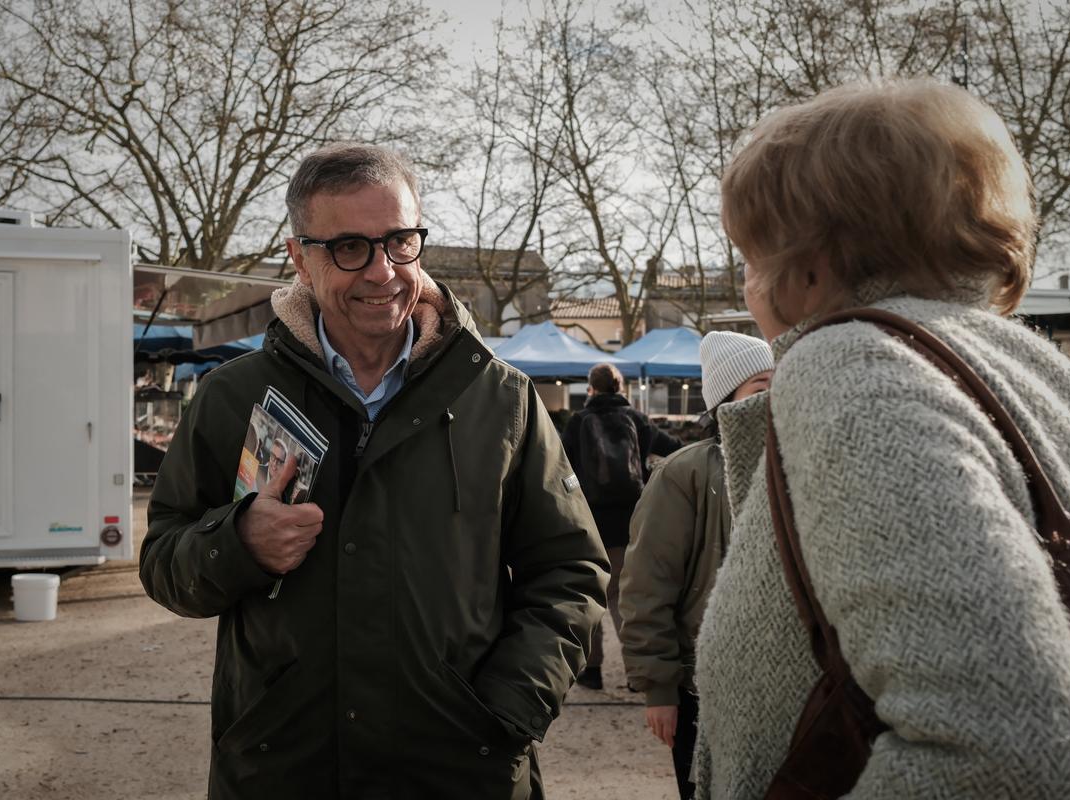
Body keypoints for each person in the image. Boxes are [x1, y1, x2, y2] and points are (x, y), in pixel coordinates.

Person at [140, 143, 609, 800]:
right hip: (284, 771)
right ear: (298, 257)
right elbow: (164, 561)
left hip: (460, 770)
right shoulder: (230, 397)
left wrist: (506, 712)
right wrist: (237, 544)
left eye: (401, 241)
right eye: (350, 248)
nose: (383, 271)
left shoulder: (499, 398)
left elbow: (570, 574)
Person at [693, 79, 1070, 798]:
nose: (747, 281)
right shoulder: (1025, 362)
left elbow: (1008, 754)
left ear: (810, 261)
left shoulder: (853, 363)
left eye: (752, 252)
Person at [619, 331, 773, 800]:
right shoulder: (686, 472)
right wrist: (659, 691)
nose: (774, 398)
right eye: (760, 388)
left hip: (784, 687)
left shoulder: (800, 461)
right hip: (703, 690)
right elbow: (647, 585)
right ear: (727, 401)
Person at [561, 362, 682, 690]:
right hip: (633, 521)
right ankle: (634, 673)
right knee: (625, 598)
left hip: (592, 522)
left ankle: (594, 670)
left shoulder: (578, 422)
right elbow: (676, 451)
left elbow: (560, 467)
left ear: (591, 387)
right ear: (620, 386)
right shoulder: (638, 420)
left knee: (594, 595)